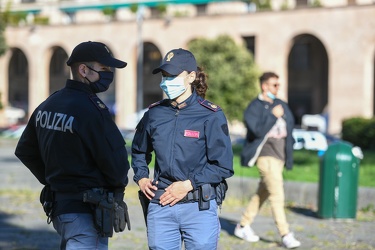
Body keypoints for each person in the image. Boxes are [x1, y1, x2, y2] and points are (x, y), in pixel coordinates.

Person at [14, 41, 131, 250]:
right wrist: (117, 188)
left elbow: (25, 150)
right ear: (83, 70)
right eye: (104, 68)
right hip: (87, 212)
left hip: (61, 208)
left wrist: (52, 180)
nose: (109, 74)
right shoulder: (92, 110)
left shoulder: (49, 104)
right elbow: (116, 163)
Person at [131, 48, 234, 249]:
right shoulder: (154, 114)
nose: (166, 81)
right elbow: (138, 151)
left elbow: (223, 166)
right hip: (161, 205)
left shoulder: (211, 115)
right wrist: (141, 177)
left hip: (199, 206)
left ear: (191, 76)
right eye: (164, 75)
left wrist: (187, 184)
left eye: (173, 75)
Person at [236, 72, 301, 249]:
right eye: (274, 85)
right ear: (264, 86)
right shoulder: (254, 107)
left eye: (278, 85)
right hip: (265, 156)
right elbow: (256, 131)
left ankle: (242, 226)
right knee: (277, 195)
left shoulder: (281, 105)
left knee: (262, 193)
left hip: (280, 157)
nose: (277, 88)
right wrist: (272, 116)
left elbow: (290, 126)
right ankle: (285, 234)